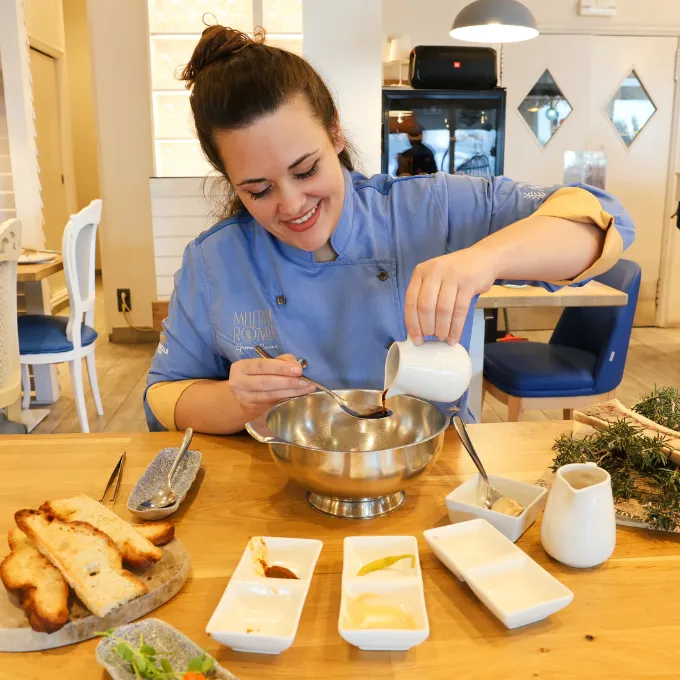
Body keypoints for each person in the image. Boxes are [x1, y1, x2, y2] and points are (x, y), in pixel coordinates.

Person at [144, 25, 634, 434]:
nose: (292, 206)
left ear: (335, 132)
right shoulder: (215, 261)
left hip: (434, 476)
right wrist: (237, 401)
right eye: (257, 190)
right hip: (280, 492)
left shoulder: (428, 209)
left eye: (306, 169)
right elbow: (162, 396)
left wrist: (485, 259)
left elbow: (601, 221)